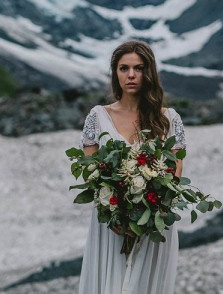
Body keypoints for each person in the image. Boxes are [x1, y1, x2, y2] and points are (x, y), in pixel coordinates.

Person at [78, 40, 186, 294]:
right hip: (111, 223)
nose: (131, 75)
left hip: (154, 222)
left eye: (138, 68)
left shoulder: (169, 119)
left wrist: (150, 211)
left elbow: (175, 174)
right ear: (115, 73)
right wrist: (116, 213)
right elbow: (90, 171)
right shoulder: (98, 116)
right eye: (124, 68)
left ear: (149, 72)